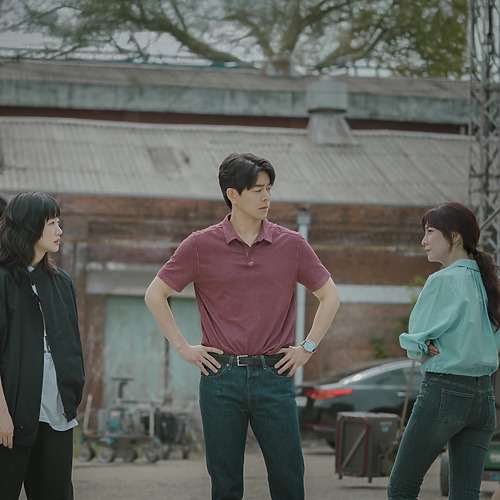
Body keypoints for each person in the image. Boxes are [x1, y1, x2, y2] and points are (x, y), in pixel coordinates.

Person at [145, 152, 340, 500]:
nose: (266, 197)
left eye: (269, 188)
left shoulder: (292, 244)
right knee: (225, 483)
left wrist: (307, 348)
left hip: (275, 376)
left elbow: (330, 296)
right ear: (232, 194)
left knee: (289, 478)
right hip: (220, 378)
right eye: (257, 189)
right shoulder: (200, 245)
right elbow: (155, 295)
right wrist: (184, 348)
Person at [387, 201, 500, 500]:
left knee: (401, 488)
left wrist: (421, 346)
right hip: (484, 398)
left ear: (455, 236)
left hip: (445, 393)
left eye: (430, 232)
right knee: (466, 494)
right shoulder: (489, 282)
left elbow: (416, 341)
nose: (423, 240)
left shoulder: (441, 280)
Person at [0, 192, 85, 500]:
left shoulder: (62, 283)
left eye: (58, 222)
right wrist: (2, 414)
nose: (59, 230)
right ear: (29, 227)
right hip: (11, 416)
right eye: (51, 223)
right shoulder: (3, 281)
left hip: (57, 415)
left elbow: (71, 347)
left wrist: (71, 395)